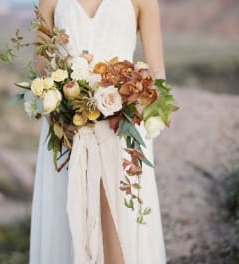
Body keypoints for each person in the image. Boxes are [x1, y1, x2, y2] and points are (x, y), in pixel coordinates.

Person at [30, 0, 166, 263]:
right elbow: (40, 66)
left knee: (121, 222)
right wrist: (57, 117)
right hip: (68, 131)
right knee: (69, 221)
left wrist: (133, 101)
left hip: (122, 131)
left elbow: (157, 73)